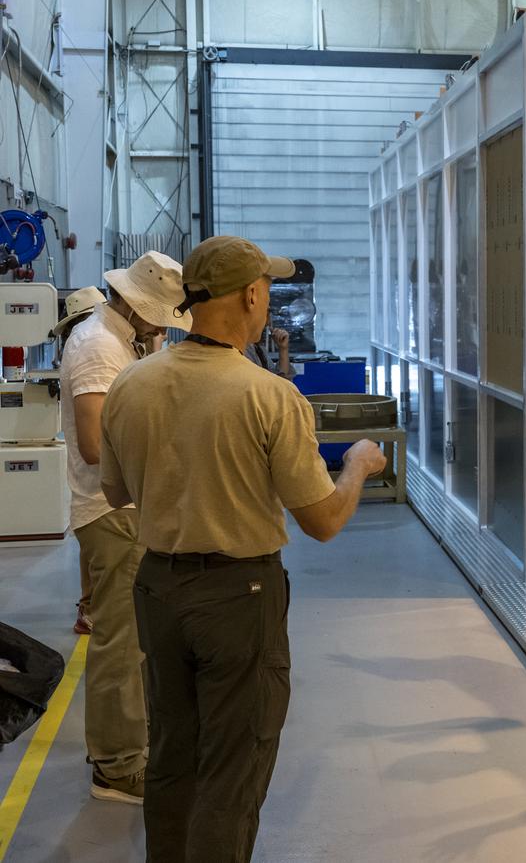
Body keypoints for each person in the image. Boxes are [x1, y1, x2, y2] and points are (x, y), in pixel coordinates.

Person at [97, 235, 386, 862]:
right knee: (233, 767)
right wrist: (359, 466)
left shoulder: (130, 385)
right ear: (252, 295)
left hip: (157, 589)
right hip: (237, 597)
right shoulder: (268, 396)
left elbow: (116, 491)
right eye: (266, 292)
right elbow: (323, 522)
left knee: (172, 753)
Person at [59, 254, 191, 804]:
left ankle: (130, 745)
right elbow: (95, 447)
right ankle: (114, 769)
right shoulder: (97, 349)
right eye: (157, 317)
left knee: (138, 640)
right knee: (120, 642)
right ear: (134, 306)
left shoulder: (128, 341)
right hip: (111, 514)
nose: (163, 327)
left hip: (131, 510)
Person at [50, 285, 108, 637]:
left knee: (90, 548)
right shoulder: (93, 350)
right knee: (97, 549)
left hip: (86, 483)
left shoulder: (76, 347)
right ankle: (89, 607)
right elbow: (94, 446)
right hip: (99, 483)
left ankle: (88, 606)